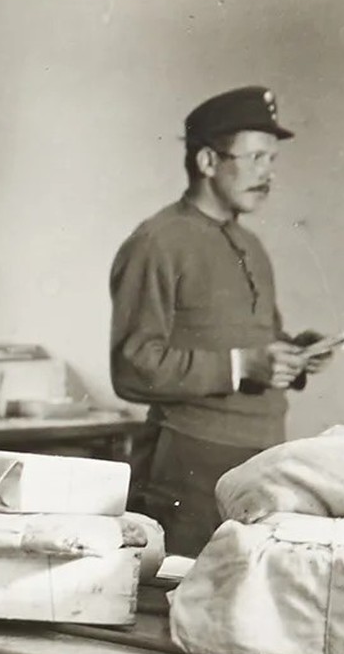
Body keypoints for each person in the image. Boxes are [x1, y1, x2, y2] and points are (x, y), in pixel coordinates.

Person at [110, 85, 328, 555]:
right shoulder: (157, 243)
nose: (267, 174)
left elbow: (251, 343)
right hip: (189, 475)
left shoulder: (251, 246)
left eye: (272, 160)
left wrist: (297, 352)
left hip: (264, 466)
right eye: (254, 159)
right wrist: (242, 366)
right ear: (208, 161)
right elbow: (132, 366)